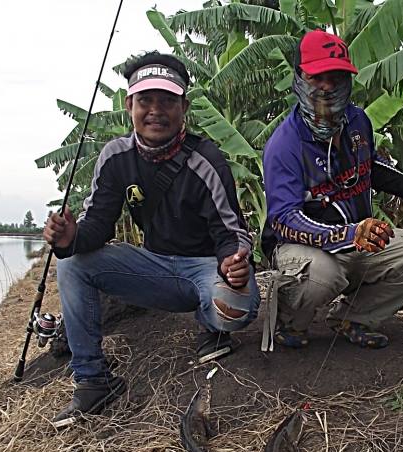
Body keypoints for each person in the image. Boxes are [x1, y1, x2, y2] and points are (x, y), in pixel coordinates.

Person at [44, 52, 260, 429]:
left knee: (236, 308)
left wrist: (235, 261)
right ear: (129, 105)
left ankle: (212, 327)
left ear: (184, 107)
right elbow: (96, 228)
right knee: (72, 263)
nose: (155, 110)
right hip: (155, 267)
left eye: (167, 101)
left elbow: (231, 232)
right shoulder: (114, 157)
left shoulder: (206, 158)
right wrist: (69, 237)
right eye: (145, 100)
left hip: (205, 268)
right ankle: (93, 379)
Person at [261, 29, 403, 350]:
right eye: (318, 77)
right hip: (305, 250)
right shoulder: (284, 145)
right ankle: (289, 320)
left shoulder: (358, 122)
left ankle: (354, 318)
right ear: (299, 78)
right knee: (320, 275)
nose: (328, 86)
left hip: (355, 241)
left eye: (336, 76)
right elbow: (284, 219)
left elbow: (369, 167)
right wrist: (349, 235)